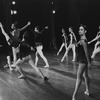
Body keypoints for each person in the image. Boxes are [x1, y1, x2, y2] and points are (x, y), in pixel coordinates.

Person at [72, 25, 91, 100]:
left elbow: (86, 52)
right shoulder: (82, 39)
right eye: (79, 29)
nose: (79, 30)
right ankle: (87, 91)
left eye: (82, 29)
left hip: (83, 60)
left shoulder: (83, 40)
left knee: (79, 77)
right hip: (82, 59)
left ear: (85, 31)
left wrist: (89, 63)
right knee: (85, 75)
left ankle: (74, 94)